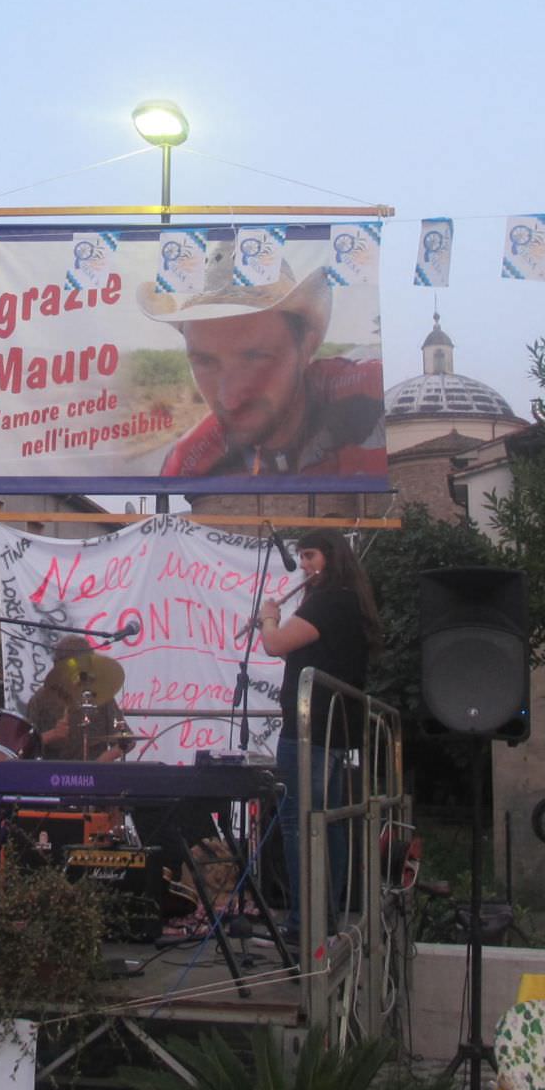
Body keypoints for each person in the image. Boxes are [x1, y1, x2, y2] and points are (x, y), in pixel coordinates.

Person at [138, 240, 384, 480]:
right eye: (206, 363)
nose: (230, 400)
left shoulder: (372, 398)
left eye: (255, 358)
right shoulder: (188, 464)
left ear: (306, 346)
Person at [253, 527, 380, 939]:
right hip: (335, 729)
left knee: (299, 821)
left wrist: (268, 618)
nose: (305, 566)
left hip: (313, 730)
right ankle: (326, 913)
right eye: (302, 557)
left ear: (331, 556)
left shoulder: (329, 600)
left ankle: (305, 921)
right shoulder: (349, 599)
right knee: (329, 822)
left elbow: (276, 644)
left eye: (310, 556)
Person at [25, 636, 131, 763]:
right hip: (53, 775)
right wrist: (52, 734)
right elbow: (24, 746)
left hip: (95, 777)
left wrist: (98, 764)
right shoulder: (41, 698)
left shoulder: (100, 695)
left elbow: (127, 741)